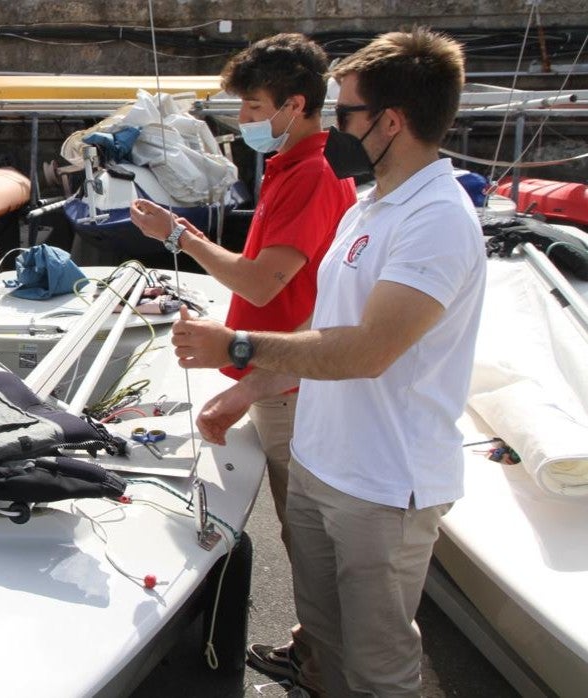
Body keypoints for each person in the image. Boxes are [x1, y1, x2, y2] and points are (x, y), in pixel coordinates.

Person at [170, 28, 484, 697]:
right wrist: (244, 389)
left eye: (344, 113)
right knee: (328, 646)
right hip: (322, 463)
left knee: (379, 668)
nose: (333, 125)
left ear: (390, 122)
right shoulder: (370, 205)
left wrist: (238, 347)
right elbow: (322, 331)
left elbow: (369, 351)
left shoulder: (436, 220)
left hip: (382, 484)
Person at [131, 33, 355, 692]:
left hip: (287, 383)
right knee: (303, 535)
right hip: (285, 374)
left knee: (308, 540)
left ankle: (323, 670)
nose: (246, 121)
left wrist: (177, 238)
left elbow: (261, 286)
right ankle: (311, 650)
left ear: (295, 103)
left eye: (255, 107)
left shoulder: (312, 174)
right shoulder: (303, 165)